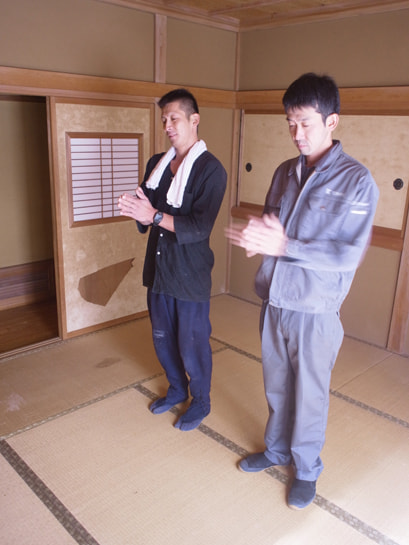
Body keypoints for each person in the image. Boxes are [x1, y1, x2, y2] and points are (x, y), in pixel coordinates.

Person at [225, 73, 379, 509]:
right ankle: (276, 451)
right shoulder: (283, 171)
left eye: (306, 123)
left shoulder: (357, 181)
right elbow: (273, 228)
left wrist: (285, 246)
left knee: (310, 396)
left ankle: (307, 469)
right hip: (274, 301)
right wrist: (258, 239)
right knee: (276, 387)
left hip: (315, 310)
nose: (297, 133)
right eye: (290, 123)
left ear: (332, 121)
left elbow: (348, 254)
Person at [118, 88, 227, 431]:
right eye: (164, 119)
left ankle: (201, 401)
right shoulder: (158, 163)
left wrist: (152, 215)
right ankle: (177, 389)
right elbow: (146, 210)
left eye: (174, 118)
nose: (167, 125)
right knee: (162, 338)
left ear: (194, 120)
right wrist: (135, 207)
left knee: (192, 344)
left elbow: (199, 227)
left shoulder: (211, 170)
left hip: (190, 274)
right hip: (159, 269)